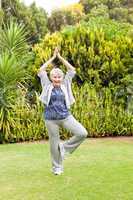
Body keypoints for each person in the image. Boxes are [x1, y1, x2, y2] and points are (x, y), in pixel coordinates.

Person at [37, 48, 88, 175]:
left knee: (82, 133)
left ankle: (64, 147)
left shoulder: (66, 83)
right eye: (54, 76)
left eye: (59, 76)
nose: (57, 79)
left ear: (62, 77)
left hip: (66, 117)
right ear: (51, 77)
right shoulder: (46, 85)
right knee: (53, 143)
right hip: (50, 119)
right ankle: (57, 168)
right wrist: (52, 58)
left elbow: (72, 70)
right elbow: (41, 70)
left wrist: (59, 57)